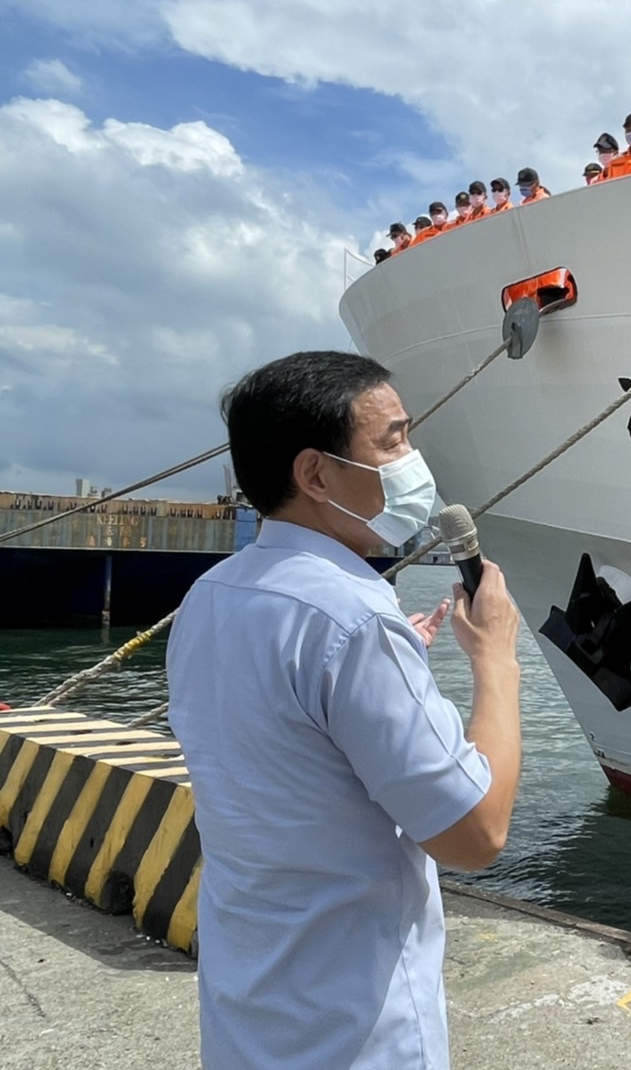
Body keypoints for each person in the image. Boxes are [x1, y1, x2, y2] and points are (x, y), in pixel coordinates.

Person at [167, 350, 523, 1069]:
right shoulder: (355, 618)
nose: (412, 461)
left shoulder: (211, 596)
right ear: (316, 474)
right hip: (355, 1032)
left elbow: (287, 743)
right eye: (393, 441)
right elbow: (474, 835)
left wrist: (387, 671)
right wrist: (496, 660)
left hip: (248, 1012)